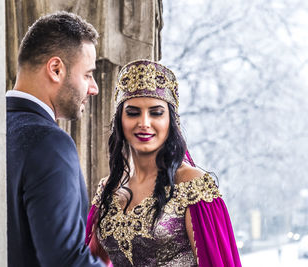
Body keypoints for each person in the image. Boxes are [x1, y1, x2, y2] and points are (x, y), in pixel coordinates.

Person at [85, 59, 242, 266]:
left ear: (171, 121)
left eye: (156, 113)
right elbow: (89, 259)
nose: (144, 123)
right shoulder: (108, 188)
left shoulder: (192, 186)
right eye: (133, 113)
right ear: (119, 121)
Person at [6, 11, 104, 267]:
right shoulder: (50, 143)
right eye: (88, 75)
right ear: (56, 69)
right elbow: (67, 261)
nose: (93, 88)